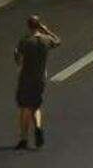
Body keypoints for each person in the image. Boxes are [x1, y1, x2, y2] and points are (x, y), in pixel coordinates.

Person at [13, 15, 60, 150]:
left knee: (25, 108)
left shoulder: (25, 41)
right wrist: (47, 30)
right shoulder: (46, 40)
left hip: (26, 78)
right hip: (40, 78)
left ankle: (24, 138)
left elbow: (18, 61)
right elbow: (58, 41)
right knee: (36, 105)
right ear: (39, 25)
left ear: (28, 26)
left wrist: (15, 54)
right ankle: (38, 126)